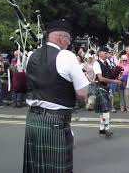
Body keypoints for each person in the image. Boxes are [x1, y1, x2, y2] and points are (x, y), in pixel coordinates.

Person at [23, 19, 89, 172]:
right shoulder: (66, 56)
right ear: (61, 37)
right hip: (55, 121)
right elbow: (82, 93)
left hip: (33, 119)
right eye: (68, 39)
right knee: (58, 168)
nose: (69, 43)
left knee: (36, 168)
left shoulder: (32, 55)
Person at [92, 47, 121, 136]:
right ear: (100, 53)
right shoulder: (97, 64)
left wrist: (117, 71)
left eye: (107, 53)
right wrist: (114, 81)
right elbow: (100, 78)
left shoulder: (107, 62)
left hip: (105, 88)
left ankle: (101, 128)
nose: (107, 54)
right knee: (106, 109)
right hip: (100, 87)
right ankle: (107, 127)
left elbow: (110, 74)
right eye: (105, 53)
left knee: (102, 110)